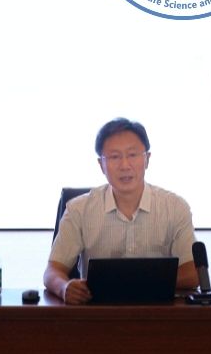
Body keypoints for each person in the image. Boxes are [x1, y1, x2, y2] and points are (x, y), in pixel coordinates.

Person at [44, 118, 198, 304]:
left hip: (158, 312)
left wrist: (133, 282)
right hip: (97, 312)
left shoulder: (175, 207)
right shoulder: (78, 209)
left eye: (132, 155)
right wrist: (64, 287)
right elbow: (53, 271)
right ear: (101, 165)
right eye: (114, 157)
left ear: (147, 159)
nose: (125, 165)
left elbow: (193, 273)